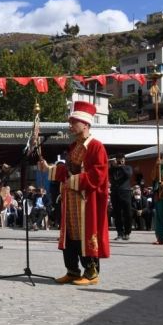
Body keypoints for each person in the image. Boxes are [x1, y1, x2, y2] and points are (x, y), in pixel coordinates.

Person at [38, 101, 110, 286]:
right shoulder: (73, 147)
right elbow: (67, 171)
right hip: (70, 200)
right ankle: (72, 270)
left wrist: (75, 181)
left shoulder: (96, 146)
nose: (70, 126)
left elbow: (99, 174)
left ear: (85, 124)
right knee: (70, 235)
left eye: (73, 122)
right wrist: (48, 169)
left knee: (85, 235)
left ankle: (91, 273)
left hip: (86, 201)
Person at [109, 153, 132, 240]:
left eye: (122, 159)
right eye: (118, 159)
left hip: (125, 192)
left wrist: (121, 166)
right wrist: (114, 165)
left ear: (124, 160)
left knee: (128, 214)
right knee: (117, 214)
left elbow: (128, 175)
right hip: (115, 193)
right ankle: (120, 232)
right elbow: (109, 172)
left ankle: (127, 232)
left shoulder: (128, 168)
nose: (120, 161)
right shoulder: (113, 169)